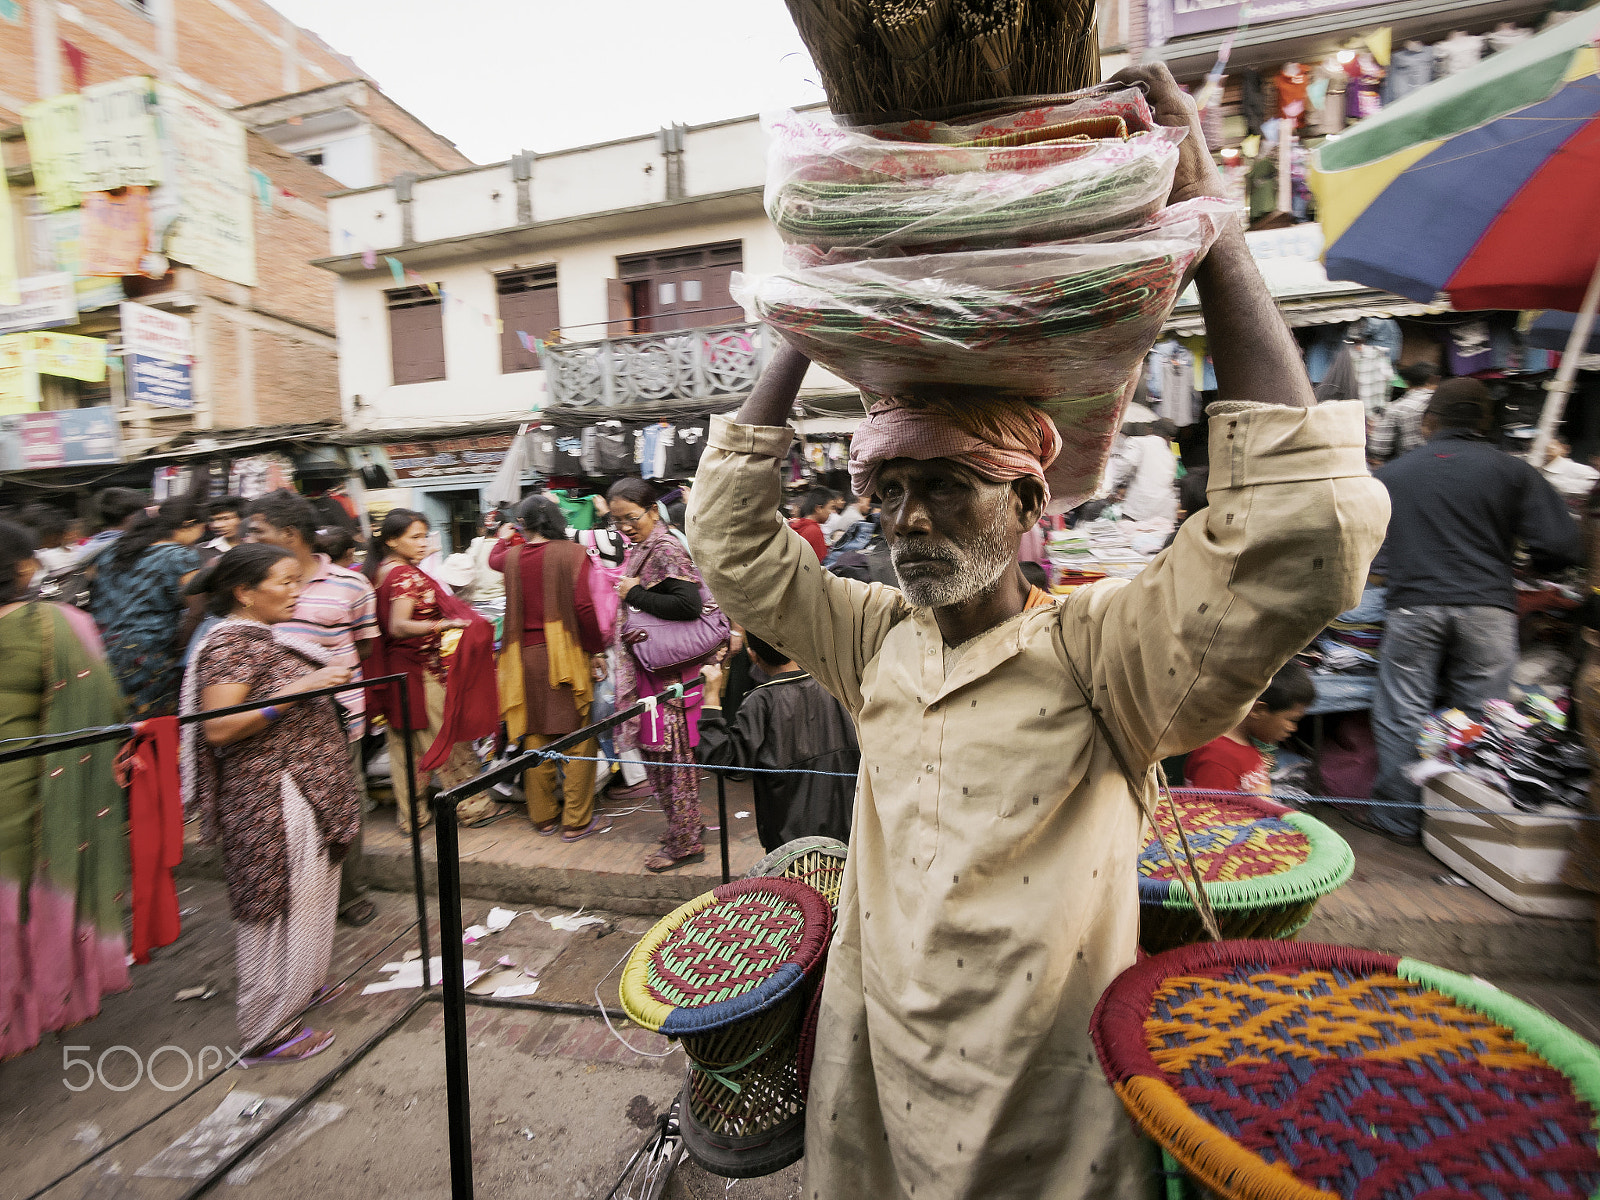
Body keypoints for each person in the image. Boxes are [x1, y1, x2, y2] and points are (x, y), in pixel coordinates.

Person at [685, 60, 1387, 1200]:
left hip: (1040, 1102)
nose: (908, 518)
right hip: (878, 1066)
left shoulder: (1101, 656)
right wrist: (812, 314)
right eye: (888, 488)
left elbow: (1294, 532)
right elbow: (734, 548)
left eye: (950, 485)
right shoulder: (876, 644)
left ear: (1026, 502)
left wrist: (1216, 231)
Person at [1367, 379, 1582, 843]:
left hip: (1414, 606)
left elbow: (1360, 547)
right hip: (1489, 609)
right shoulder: (1513, 471)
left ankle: (1400, 821)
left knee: (1403, 711)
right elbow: (1563, 545)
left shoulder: (1392, 475)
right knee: (1481, 719)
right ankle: (1462, 830)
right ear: (1485, 423)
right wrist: (1530, 564)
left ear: (1428, 423)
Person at [181, 545, 360, 1066]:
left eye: (296, 580)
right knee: (278, 903)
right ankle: (266, 1028)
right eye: (283, 582)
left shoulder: (259, 638)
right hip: (273, 794)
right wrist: (302, 688)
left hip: (298, 788)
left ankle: (299, 990)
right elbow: (218, 728)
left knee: (308, 896)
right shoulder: (232, 645)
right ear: (244, 591)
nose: (296, 590)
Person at [0, 519, 129, 1060]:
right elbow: (103, 711)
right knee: (19, 907)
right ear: (26, 568)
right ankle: (29, 1008)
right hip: (28, 792)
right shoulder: (54, 624)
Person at [246, 490, 380, 928]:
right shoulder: (252, 589)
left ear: (288, 534)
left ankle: (350, 893)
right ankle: (293, 899)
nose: (248, 537)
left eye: (257, 530)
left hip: (336, 716)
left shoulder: (351, 585)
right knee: (280, 808)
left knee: (345, 802)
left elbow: (365, 646)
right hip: (268, 718)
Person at [364, 510, 498, 832]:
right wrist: (446, 623)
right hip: (419, 670)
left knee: (403, 746)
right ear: (392, 540)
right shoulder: (404, 576)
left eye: (425, 536)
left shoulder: (381, 572)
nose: (424, 543)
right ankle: (474, 808)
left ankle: (412, 817)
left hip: (395, 671)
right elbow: (398, 626)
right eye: (415, 537)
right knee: (446, 738)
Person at [489, 496, 609, 840]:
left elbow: (493, 558)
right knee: (578, 738)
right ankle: (576, 821)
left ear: (523, 524)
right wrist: (596, 649)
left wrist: (504, 535)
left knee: (536, 736)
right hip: (563, 655)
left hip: (521, 657)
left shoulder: (511, 557)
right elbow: (584, 607)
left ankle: (542, 817)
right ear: (557, 519)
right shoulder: (572, 553)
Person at [608, 477, 712, 872]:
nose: (626, 528)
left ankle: (685, 844)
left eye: (631, 518)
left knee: (671, 760)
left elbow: (688, 605)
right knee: (666, 758)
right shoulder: (650, 546)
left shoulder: (664, 548)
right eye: (618, 522)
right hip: (658, 671)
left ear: (653, 511)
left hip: (667, 678)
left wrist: (632, 594)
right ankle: (686, 827)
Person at [698, 632, 859, 851]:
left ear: (753, 656)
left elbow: (722, 758)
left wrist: (711, 698)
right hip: (849, 828)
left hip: (790, 842)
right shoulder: (838, 686)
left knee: (796, 886)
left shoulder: (761, 701)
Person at [89, 493, 208, 718]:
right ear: (188, 525)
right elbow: (198, 608)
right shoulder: (179, 556)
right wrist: (180, 648)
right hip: (148, 655)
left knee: (114, 722)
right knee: (151, 728)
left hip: (102, 648)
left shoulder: (112, 551)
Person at [1184, 661, 1314, 795]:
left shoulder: (1247, 744)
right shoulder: (1218, 760)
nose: (1293, 728)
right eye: (1292, 720)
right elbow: (1212, 813)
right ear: (1259, 710)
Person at [1367, 362, 1439, 464]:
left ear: (1407, 383)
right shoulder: (1447, 402)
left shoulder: (1396, 408)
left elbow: (1378, 449)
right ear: (1434, 379)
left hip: (1410, 464)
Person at [1541, 434, 1599, 506]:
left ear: (1565, 448)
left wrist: (1552, 482)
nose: (1549, 447)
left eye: (1553, 444)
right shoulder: (1538, 470)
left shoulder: (1577, 468)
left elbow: (1592, 486)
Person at [787, 487, 837, 560]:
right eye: (832, 508)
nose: (833, 512)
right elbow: (821, 563)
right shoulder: (814, 531)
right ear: (818, 508)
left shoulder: (798, 525)